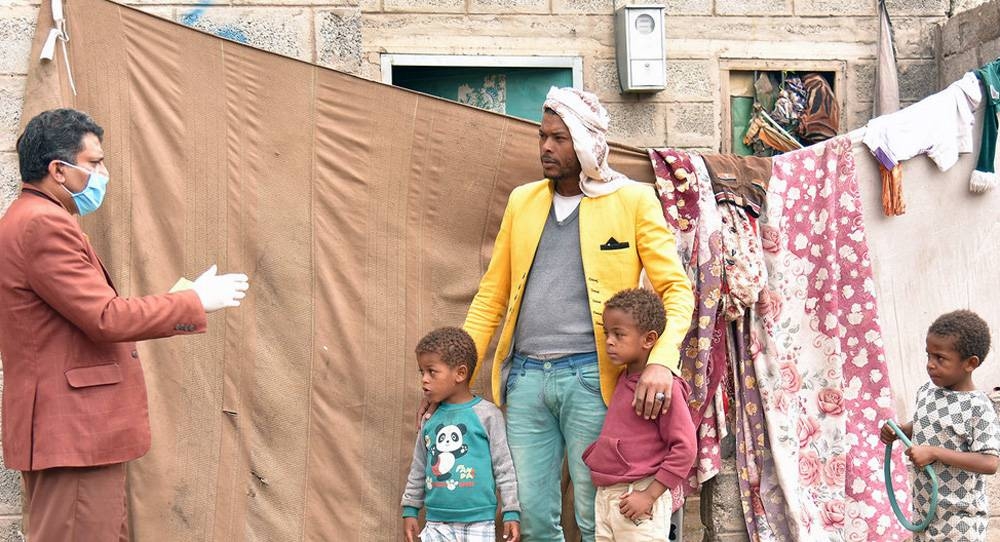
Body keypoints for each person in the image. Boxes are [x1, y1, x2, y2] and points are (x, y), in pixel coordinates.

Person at [454, 87, 695, 540]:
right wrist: (457, 372)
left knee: (596, 516)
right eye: (543, 137)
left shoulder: (634, 200)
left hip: (593, 377)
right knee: (530, 517)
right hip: (524, 379)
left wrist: (662, 361)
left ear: (585, 142)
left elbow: (676, 291)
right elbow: (492, 294)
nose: (546, 147)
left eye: (559, 138)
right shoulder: (523, 200)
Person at [0, 108, 250, 541]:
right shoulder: (43, 225)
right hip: (74, 431)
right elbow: (105, 317)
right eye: (94, 162)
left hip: (75, 431)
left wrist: (178, 298)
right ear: (59, 170)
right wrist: (192, 302)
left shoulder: (39, 218)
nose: (103, 172)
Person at [583, 288, 696, 541]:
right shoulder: (622, 378)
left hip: (641, 495)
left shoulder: (665, 389)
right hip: (608, 498)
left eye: (618, 334)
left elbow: (685, 449)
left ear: (648, 339)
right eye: (607, 334)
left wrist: (649, 495)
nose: (609, 341)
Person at [880, 310, 1000, 541]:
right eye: (929, 356)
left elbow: (990, 462)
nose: (930, 365)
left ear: (970, 363)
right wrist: (901, 431)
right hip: (925, 511)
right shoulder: (927, 392)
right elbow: (930, 423)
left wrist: (935, 453)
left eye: (940, 358)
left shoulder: (978, 407)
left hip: (960, 520)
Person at [401, 327, 520, 542]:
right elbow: (418, 466)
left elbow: (504, 467)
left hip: (479, 522)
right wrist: (410, 508)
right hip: (436, 522)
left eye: (431, 371)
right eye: (422, 372)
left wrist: (511, 511)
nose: (424, 380)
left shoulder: (488, 415)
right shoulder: (430, 417)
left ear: (460, 373)